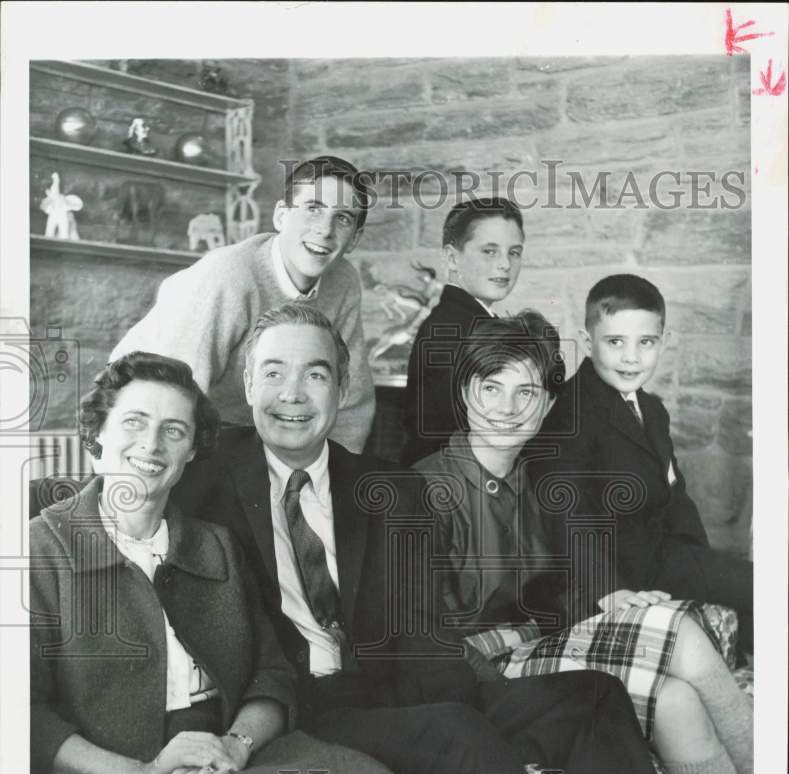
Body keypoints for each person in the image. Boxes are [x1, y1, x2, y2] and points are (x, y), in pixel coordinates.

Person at [172, 301, 711, 774]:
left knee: (589, 695)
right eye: (273, 373)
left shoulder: (385, 488)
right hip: (306, 701)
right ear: (246, 383)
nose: (293, 394)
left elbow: (419, 621)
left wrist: (480, 686)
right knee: (454, 729)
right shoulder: (199, 486)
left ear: (341, 389)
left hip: (403, 682)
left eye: (315, 374)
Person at [29, 351, 503, 774]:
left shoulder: (214, 546)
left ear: (189, 454)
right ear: (96, 435)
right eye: (133, 422)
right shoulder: (39, 552)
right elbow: (19, 716)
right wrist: (141, 772)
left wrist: (235, 744)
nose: (151, 444)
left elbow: (271, 676)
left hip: (242, 757)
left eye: (173, 430)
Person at [413, 312, 754, 774]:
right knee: (675, 631)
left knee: (678, 700)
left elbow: (559, 587)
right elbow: (425, 647)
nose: (508, 409)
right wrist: (540, 628)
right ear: (465, 393)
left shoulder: (537, 480)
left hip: (543, 650)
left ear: (547, 405)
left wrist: (603, 603)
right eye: (491, 388)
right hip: (482, 679)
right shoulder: (426, 491)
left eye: (527, 393)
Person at [536, 273, 753, 652]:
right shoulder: (571, 413)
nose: (631, 357)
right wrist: (609, 589)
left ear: (663, 343)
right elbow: (564, 509)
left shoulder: (651, 410)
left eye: (646, 342)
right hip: (614, 571)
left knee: (756, 589)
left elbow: (675, 492)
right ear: (588, 342)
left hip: (666, 557)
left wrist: (698, 557)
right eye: (615, 342)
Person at [109, 155, 376, 453]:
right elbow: (176, 393)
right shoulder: (229, 276)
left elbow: (351, 396)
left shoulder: (344, 281)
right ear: (281, 216)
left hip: (237, 428)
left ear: (354, 239)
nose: (325, 230)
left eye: (342, 218)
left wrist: (337, 475)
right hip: (140, 413)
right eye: (313, 209)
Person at [402, 197, 525, 465]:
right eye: (489, 251)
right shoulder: (454, 330)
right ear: (451, 258)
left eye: (514, 252)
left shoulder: (466, 321)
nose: (505, 264)